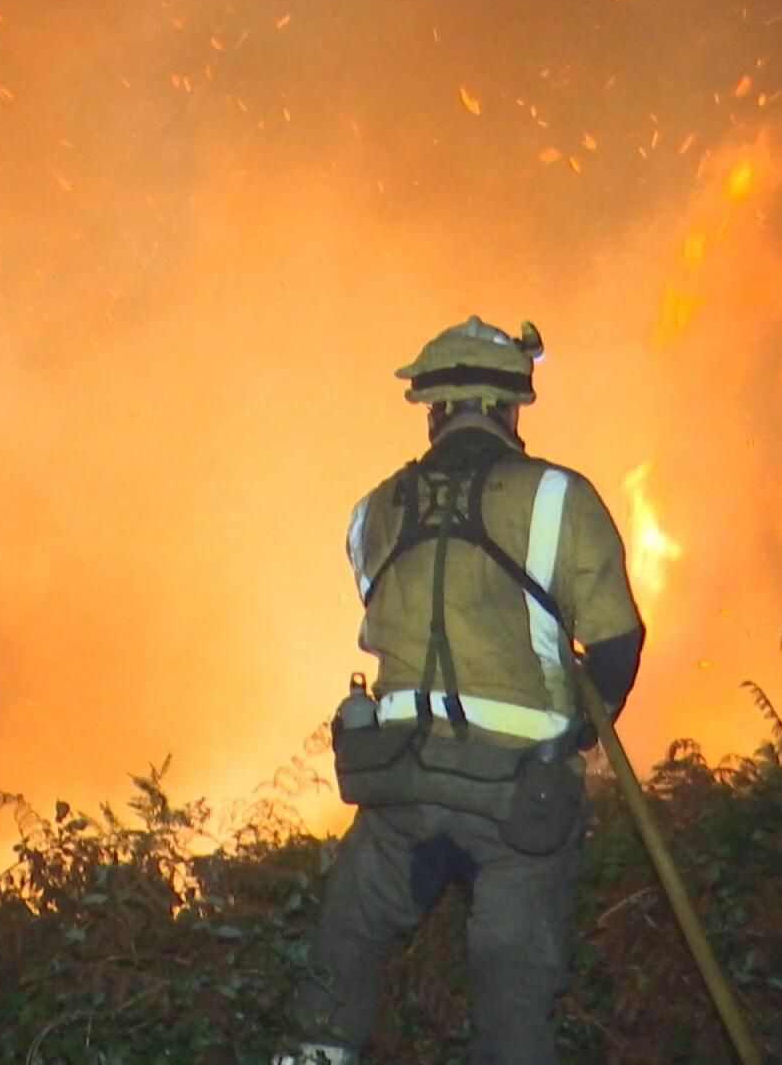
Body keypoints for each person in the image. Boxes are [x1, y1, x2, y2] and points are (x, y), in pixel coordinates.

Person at [283, 317, 646, 1064]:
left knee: (341, 955)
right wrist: (576, 733)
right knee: (514, 987)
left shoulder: (375, 510)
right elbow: (617, 643)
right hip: (520, 804)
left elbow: (384, 605)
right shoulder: (559, 499)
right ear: (511, 408)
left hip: (403, 791)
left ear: (434, 410)